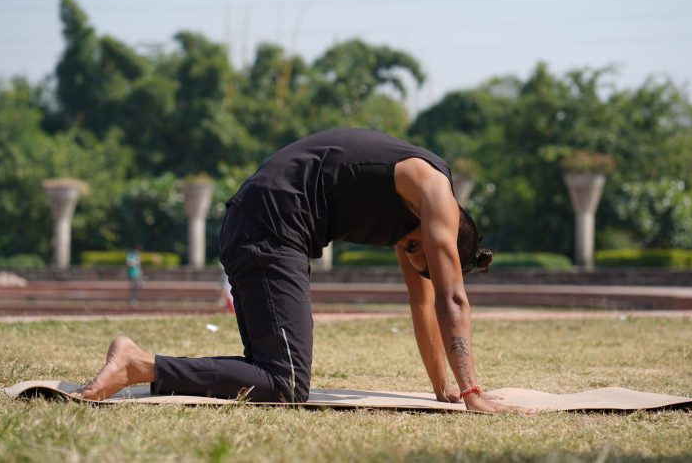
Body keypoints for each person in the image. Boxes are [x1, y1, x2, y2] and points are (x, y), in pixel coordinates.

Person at [78, 129, 530, 414]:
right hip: (270, 226)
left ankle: (142, 364)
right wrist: (474, 394)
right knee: (287, 383)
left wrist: (444, 387)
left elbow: (423, 302)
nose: (411, 257)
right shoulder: (433, 189)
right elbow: (451, 298)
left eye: (417, 255)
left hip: (257, 225)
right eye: (416, 249)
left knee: (275, 374)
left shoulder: (410, 214)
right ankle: (138, 364)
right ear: (444, 233)